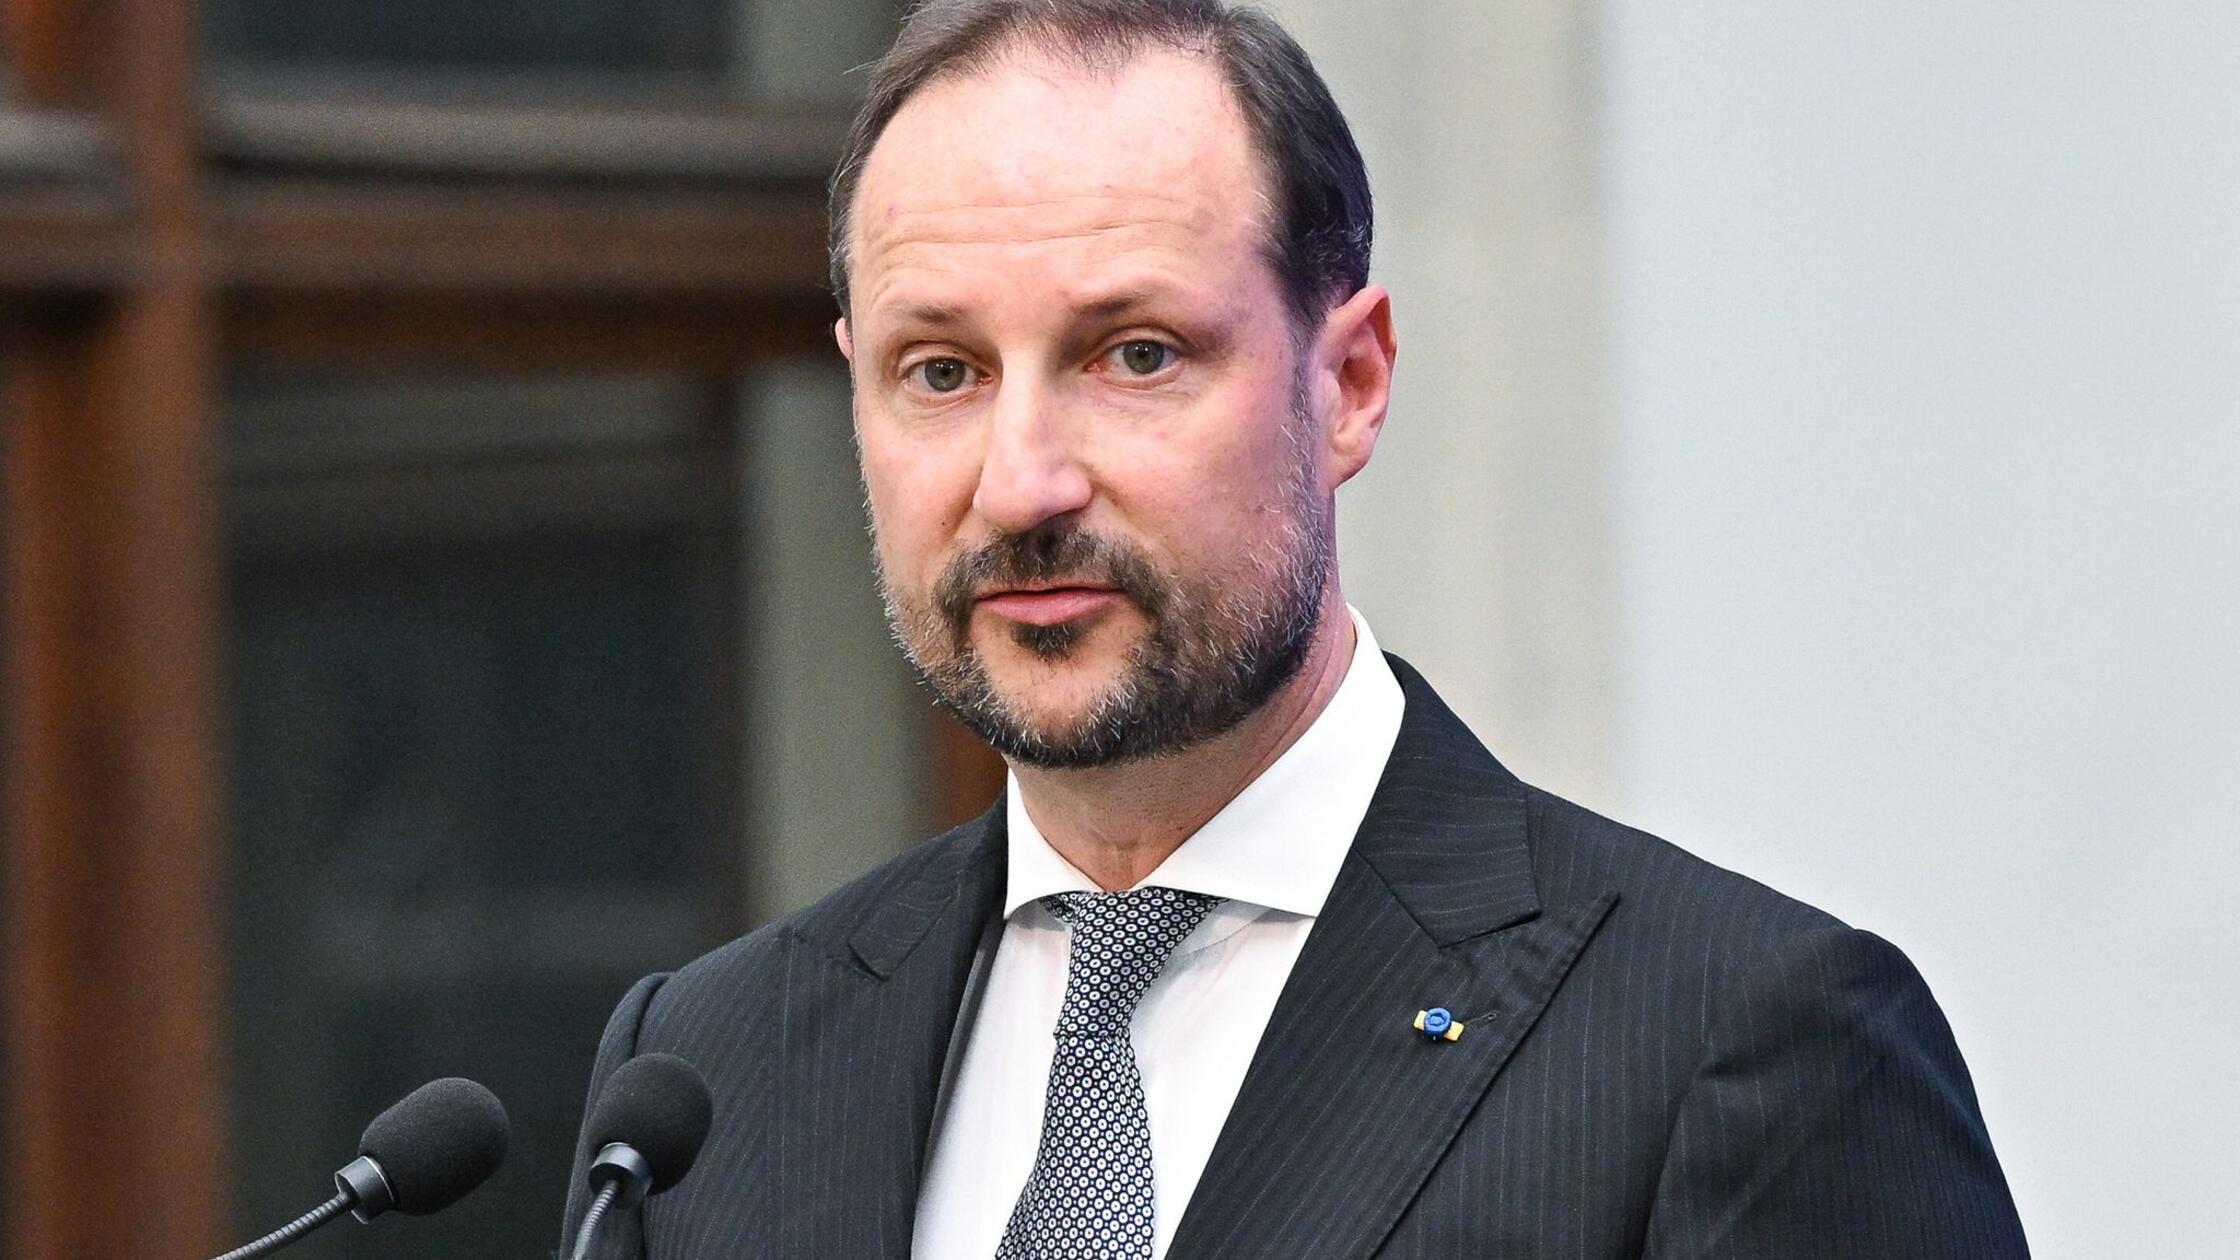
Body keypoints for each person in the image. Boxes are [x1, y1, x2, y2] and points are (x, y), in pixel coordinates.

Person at [562, 1, 2029, 1256]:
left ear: (1350, 384)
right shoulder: (707, 1073)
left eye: (1135, 355)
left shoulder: (1738, 1044)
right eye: (939, 371)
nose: (1020, 482)